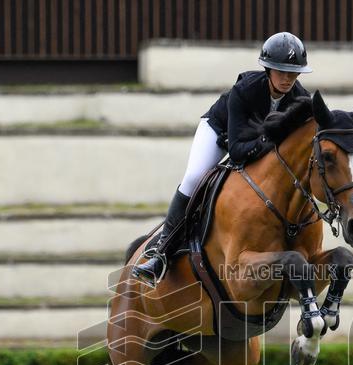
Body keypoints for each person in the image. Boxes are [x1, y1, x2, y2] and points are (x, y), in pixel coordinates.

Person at [131, 32, 312, 287]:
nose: (287, 79)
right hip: (220, 131)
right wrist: (268, 142)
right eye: (281, 71)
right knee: (195, 177)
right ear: (268, 69)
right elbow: (237, 150)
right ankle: (160, 253)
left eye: (293, 73)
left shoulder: (300, 100)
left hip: (256, 144)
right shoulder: (245, 90)